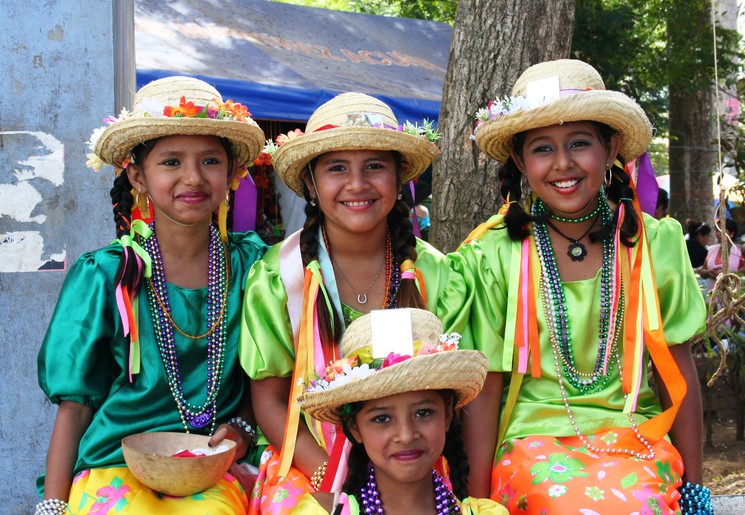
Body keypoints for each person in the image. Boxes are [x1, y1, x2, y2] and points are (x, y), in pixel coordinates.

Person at [455, 59, 709, 513]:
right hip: (533, 441)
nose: (563, 164)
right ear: (519, 159)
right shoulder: (493, 253)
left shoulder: (654, 243)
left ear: (610, 148)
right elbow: (488, 386)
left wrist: (696, 490)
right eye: (542, 149)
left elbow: (678, 373)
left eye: (579, 143)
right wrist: (478, 500)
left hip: (636, 435)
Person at [36, 76, 268, 514]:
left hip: (216, 466)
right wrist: (52, 506)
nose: (193, 177)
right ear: (138, 176)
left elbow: (274, 386)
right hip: (115, 463)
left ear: (232, 173)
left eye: (211, 160)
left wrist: (242, 429)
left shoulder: (255, 269)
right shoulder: (106, 275)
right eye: (171, 162)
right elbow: (75, 407)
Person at [239, 92, 461, 514]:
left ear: (399, 178)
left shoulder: (437, 275)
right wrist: (331, 475)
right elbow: (269, 401)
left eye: (374, 166)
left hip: (411, 458)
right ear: (310, 183)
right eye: (337, 168)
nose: (357, 184)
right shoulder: (278, 277)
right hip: (309, 464)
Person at [293, 308, 507, 514]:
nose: (405, 435)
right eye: (382, 418)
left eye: (423, 413)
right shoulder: (321, 511)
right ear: (354, 427)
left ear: (447, 416)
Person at [699, 217, 744, 292]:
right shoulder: (712, 249)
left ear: (731, 233)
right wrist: (708, 272)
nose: (718, 234)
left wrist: (728, 276)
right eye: (717, 231)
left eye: (721, 230)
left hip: (733, 294)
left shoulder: (740, 251)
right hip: (713, 293)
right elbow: (702, 271)